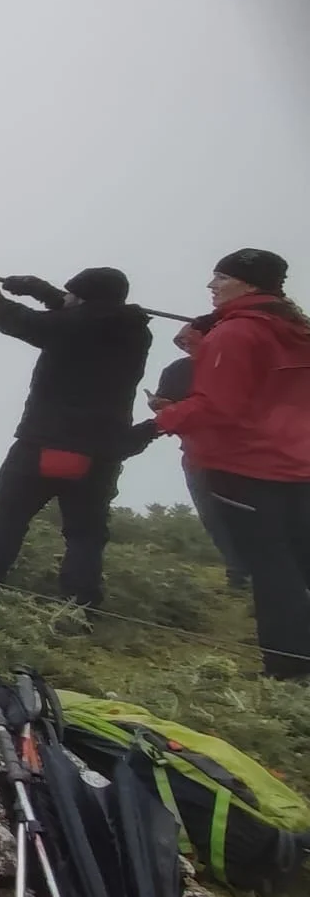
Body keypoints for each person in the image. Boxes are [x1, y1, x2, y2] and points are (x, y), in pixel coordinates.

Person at [141, 249, 310, 678]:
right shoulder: (295, 330)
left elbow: (218, 405)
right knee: (300, 561)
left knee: (272, 570)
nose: (211, 286)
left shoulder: (236, 332)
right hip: (298, 465)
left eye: (220, 278)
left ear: (247, 284)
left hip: (244, 467)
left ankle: (290, 670)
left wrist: (155, 424)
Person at [0, 259, 151, 608]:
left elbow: (13, 320)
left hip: (43, 444)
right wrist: (43, 291)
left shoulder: (72, 326)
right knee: (85, 535)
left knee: (9, 520)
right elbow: (87, 315)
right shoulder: (136, 331)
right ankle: (79, 608)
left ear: (82, 300)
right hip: (99, 453)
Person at [152, 315, 251, 589]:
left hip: (246, 453)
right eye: (180, 342)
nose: (185, 345)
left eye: (190, 339)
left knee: (256, 514)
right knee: (214, 516)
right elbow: (167, 408)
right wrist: (162, 407)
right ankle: (238, 575)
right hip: (198, 455)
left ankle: (270, 575)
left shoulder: (236, 366)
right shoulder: (177, 370)